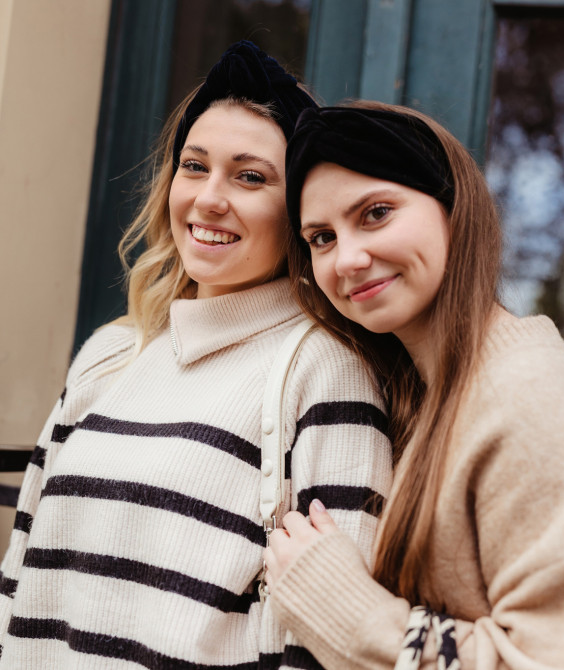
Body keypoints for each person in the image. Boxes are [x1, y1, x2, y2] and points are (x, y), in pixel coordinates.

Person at [0, 46, 392, 668]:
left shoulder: (325, 370)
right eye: (194, 166)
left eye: (250, 176)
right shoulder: (112, 353)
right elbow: (19, 571)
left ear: (298, 215)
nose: (210, 198)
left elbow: (333, 632)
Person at [263, 102, 564, 669]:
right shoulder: (432, 393)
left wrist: (355, 617)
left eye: (376, 213)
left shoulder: (524, 393)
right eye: (322, 237)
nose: (348, 258)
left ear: (453, 208)